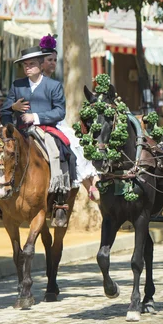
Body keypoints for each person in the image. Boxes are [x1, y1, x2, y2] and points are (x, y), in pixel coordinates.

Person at [0, 45, 76, 227]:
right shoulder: (17, 85)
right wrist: (12, 109)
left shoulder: (54, 86)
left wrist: (34, 117)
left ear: (41, 65)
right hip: (18, 132)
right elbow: (4, 111)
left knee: (60, 150)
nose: (27, 67)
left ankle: (60, 201)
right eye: (25, 65)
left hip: (45, 129)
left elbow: (60, 112)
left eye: (32, 64)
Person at [39, 34, 100, 202]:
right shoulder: (36, 81)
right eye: (49, 59)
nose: (52, 62)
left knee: (77, 143)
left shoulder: (54, 82)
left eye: (54, 59)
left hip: (57, 123)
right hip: (41, 123)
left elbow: (59, 109)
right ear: (41, 62)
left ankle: (92, 184)